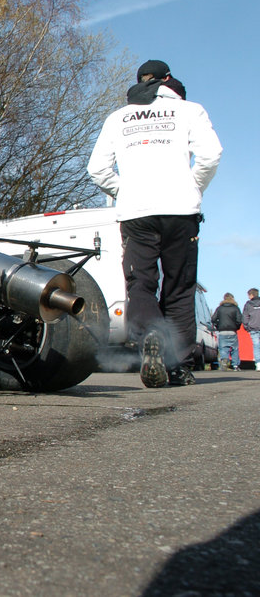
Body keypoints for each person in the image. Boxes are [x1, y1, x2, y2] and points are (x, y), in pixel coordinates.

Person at [87, 59, 222, 388]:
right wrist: (193, 188)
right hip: (181, 211)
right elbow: (211, 155)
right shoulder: (190, 110)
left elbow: (97, 169)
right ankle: (179, 367)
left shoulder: (118, 118)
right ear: (168, 80)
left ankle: (150, 335)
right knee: (179, 289)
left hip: (136, 213)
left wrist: (125, 192)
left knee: (141, 284)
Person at [211, 293, 242, 370]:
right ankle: (235, 365)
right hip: (232, 331)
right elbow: (239, 320)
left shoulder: (219, 308)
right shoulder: (235, 308)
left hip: (222, 331)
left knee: (223, 348)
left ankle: (224, 360)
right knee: (234, 349)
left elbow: (213, 319)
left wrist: (218, 326)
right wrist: (236, 327)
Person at [243, 288, 260, 371]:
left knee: (256, 346)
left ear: (251, 295)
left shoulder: (248, 304)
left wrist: (246, 327)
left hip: (253, 328)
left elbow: (245, 317)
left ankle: (258, 364)